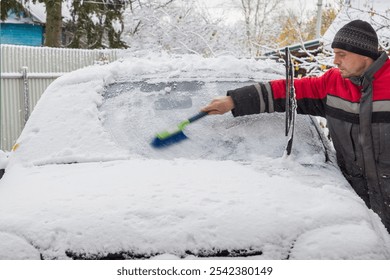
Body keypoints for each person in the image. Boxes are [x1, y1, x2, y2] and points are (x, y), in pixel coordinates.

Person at [202, 20, 390, 234]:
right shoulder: (333, 84)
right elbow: (286, 91)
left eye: (342, 54)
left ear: (364, 53)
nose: (335, 61)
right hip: (360, 208)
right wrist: (234, 101)